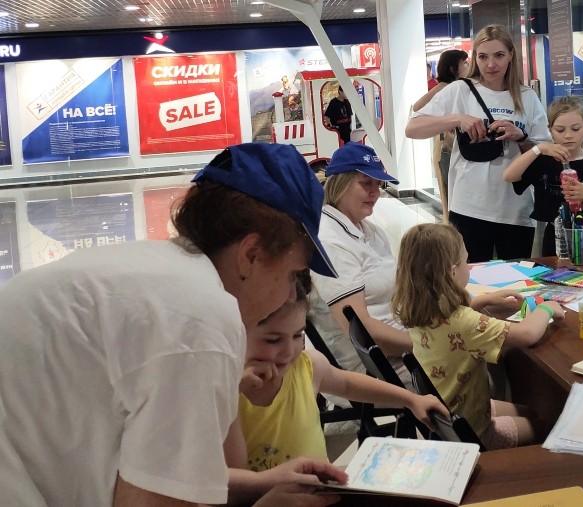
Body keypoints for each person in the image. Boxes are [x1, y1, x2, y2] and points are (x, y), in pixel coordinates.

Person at [0, 142, 349, 507]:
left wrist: (262, 484)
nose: (291, 294)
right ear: (251, 254)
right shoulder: (200, 316)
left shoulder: (159, 274)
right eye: (293, 274)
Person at [224, 278, 449, 504]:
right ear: (236, 333)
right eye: (273, 340)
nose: (289, 351)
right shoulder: (224, 392)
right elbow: (232, 481)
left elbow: (347, 384)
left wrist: (410, 399)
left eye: (297, 335)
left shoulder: (307, 366)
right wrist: (230, 396)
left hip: (323, 495)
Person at [392, 223, 566, 450]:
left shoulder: (420, 310)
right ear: (452, 272)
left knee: (531, 411)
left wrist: (484, 300)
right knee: (547, 426)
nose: (469, 267)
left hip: (449, 413)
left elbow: (451, 323)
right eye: (466, 262)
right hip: (475, 433)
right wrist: (547, 308)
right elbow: (527, 334)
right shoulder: (466, 323)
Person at [406, 24, 552, 262]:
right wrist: (458, 119)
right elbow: (412, 128)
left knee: (515, 278)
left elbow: (544, 151)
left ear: (511, 55)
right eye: (483, 57)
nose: (491, 64)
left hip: (515, 210)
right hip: (469, 207)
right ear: (475, 58)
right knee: (471, 278)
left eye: (499, 55)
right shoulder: (460, 91)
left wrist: (520, 136)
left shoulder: (527, 97)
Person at [308, 142, 413, 388]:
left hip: (398, 345)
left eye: (378, 184)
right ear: (340, 184)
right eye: (366, 184)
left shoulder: (370, 230)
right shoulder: (330, 241)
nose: (375, 192)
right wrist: (423, 345)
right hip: (372, 367)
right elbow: (361, 331)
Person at [503, 95, 583, 255]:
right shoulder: (544, 160)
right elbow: (509, 176)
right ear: (550, 129)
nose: (568, 136)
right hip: (555, 240)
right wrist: (539, 148)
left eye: (575, 129)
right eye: (560, 130)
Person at [413, 49, 470, 223]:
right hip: (446, 146)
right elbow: (417, 107)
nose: (469, 66)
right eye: (464, 63)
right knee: (448, 196)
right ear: (453, 68)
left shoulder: (465, 87)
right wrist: (448, 121)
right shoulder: (446, 87)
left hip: (456, 147)